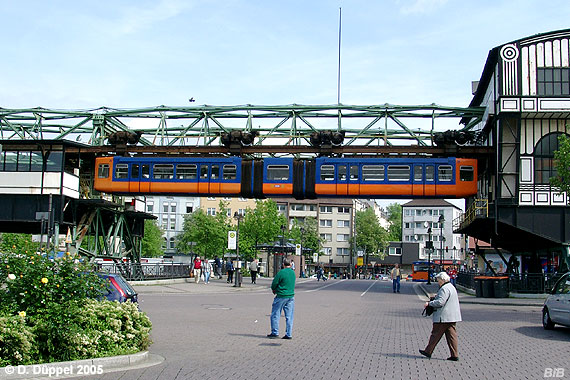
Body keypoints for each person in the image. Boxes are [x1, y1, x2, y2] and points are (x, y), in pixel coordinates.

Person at [419, 271, 462, 361]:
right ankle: (454, 354)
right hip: (452, 316)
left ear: (442, 280)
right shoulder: (451, 287)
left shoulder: (444, 289)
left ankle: (428, 351)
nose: (438, 283)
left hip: (443, 316)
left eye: (439, 281)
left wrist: (429, 303)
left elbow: (440, 302)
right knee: (451, 336)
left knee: (435, 334)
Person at [267, 258, 296, 339]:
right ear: (290, 265)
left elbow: (274, 283)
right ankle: (288, 334)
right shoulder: (293, 273)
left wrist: (274, 289)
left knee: (275, 314)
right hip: (290, 296)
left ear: (283, 264)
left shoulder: (281, 273)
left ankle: (275, 332)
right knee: (289, 316)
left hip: (281, 295)